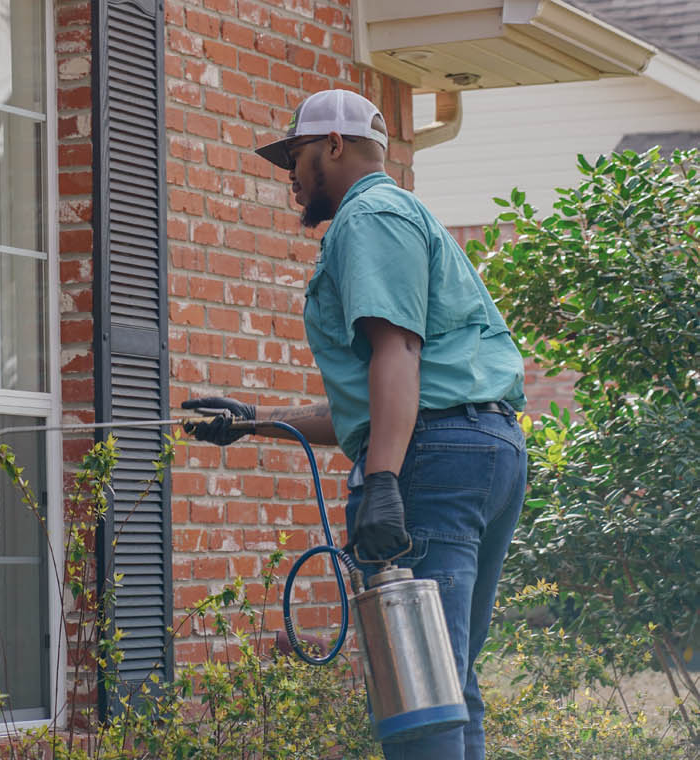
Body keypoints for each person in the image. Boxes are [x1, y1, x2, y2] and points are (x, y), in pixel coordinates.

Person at [183, 88, 527, 760]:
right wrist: (254, 422)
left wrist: (384, 481)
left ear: (334, 146)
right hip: (477, 448)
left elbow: (396, 354)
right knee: (444, 679)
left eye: (298, 155)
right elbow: (377, 401)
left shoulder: (367, 216)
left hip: (433, 458)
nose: (290, 173)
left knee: (417, 698)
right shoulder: (399, 216)